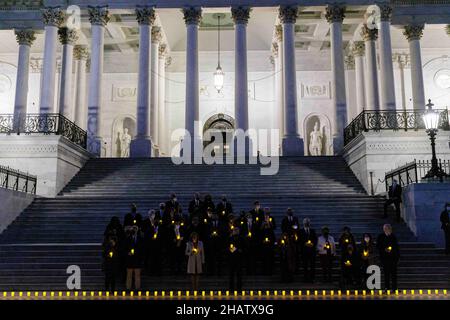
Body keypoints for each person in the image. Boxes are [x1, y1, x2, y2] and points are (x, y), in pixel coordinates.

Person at [376, 224, 400, 290]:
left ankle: (394, 287)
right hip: (385, 258)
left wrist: (397, 257)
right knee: (386, 273)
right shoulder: (381, 236)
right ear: (384, 229)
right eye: (386, 228)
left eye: (389, 228)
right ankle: (387, 287)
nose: (387, 230)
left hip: (393, 258)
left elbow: (396, 247)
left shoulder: (393, 236)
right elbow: (378, 246)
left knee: (393, 274)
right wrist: (384, 249)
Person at [142, 209, 162, 275]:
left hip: (157, 244)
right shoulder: (145, 222)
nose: (152, 215)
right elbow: (145, 232)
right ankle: (150, 270)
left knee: (157, 258)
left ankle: (157, 271)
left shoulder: (158, 223)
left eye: (153, 214)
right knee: (150, 258)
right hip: (149, 243)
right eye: (151, 214)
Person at [124, 225, 144, 290]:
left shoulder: (140, 238)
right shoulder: (127, 238)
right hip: (130, 260)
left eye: (135, 229)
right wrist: (127, 253)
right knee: (129, 275)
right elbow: (124, 248)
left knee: (137, 275)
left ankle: (137, 288)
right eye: (133, 229)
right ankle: (128, 288)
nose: (134, 230)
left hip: (137, 259)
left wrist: (137, 254)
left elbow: (142, 248)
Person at [205, 211, 225, 276]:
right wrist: (210, 235)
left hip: (219, 243)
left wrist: (218, 235)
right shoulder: (208, 223)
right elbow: (206, 232)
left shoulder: (221, 223)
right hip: (211, 243)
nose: (215, 216)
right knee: (211, 258)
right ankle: (211, 271)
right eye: (214, 215)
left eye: (216, 215)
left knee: (219, 258)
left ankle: (220, 272)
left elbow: (223, 232)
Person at [299, 218, 317, 283]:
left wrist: (312, 244)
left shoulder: (312, 231)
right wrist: (304, 243)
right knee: (305, 265)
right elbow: (299, 240)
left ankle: (312, 278)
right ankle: (305, 278)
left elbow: (315, 239)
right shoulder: (300, 231)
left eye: (308, 222)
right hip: (304, 251)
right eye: (305, 222)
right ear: (303, 223)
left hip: (312, 251)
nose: (307, 223)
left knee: (312, 265)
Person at [260, 208, 276, 275]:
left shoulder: (272, 218)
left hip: (271, 238)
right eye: (265, 211)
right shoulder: (261, 218)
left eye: (268, 211)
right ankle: (264, 271)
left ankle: (270, 270)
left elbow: (274, 227)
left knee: (271, 256)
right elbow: (259, 229)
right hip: (263, 237)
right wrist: (263, 225)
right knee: (264, 256)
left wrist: (270, 223)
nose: (266, 212)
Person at [228, 226, 244, 291]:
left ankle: (239, 288)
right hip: (231, 258)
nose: (236, 231)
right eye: (235, 230)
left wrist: (239, 250)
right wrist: (236, 249)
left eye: (237, 230)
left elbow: (244, 247)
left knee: (239, 274)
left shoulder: (242, 238)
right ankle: (231, 288)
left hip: (239, 259)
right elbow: (228, 246)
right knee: (231, 274)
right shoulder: (230, 238)